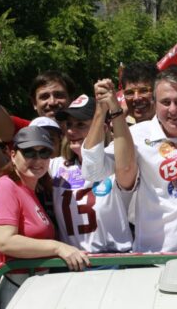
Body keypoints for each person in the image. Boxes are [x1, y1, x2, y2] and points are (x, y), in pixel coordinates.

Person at [82, 69, 177, 253]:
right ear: (155, 103)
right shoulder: (136, 136)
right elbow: (93, 171)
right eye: (165, 102)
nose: (173, 109)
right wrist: (101, 110)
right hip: (156, 259)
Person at [0, 125, 89, 307]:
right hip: (16, 288)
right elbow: (4, 241)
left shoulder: (32, 191)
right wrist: (58, 247)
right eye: (29, 152)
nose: (38, 159)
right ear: (12, 155)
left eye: (44, 153)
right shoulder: (6, 186)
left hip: (35, 287)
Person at [52, 94, 133, 253]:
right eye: (68, 124)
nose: (71, 131)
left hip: (117, 261)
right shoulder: (54, 166)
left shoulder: (116, 163)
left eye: (80, 125)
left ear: (102, 129)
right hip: (72, 264)